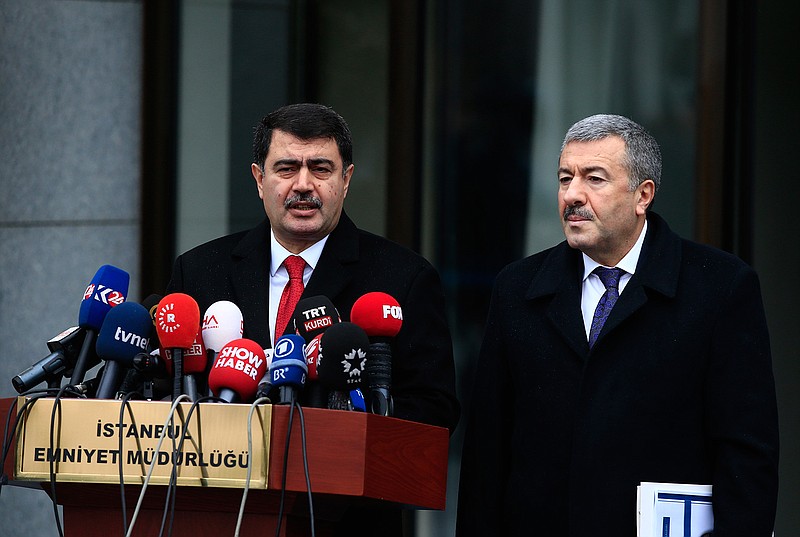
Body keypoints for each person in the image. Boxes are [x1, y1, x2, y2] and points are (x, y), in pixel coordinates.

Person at [455, 114, 779, 536]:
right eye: (564, 177)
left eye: (594, 178)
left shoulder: (720, 288)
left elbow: (747, 454)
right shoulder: (518, 289)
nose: (573, 195)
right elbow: (487, 453)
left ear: (643, 195)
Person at [166, 103, 460, 535]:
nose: (303, 185)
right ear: (258, 179)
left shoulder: (404, 278)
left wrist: (348, 423)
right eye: (286, 168)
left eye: (321, 168)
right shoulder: (198, 271)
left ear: (346, 180)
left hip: (347, 521)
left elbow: (434, 410)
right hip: (221, 514)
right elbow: (166, 389)